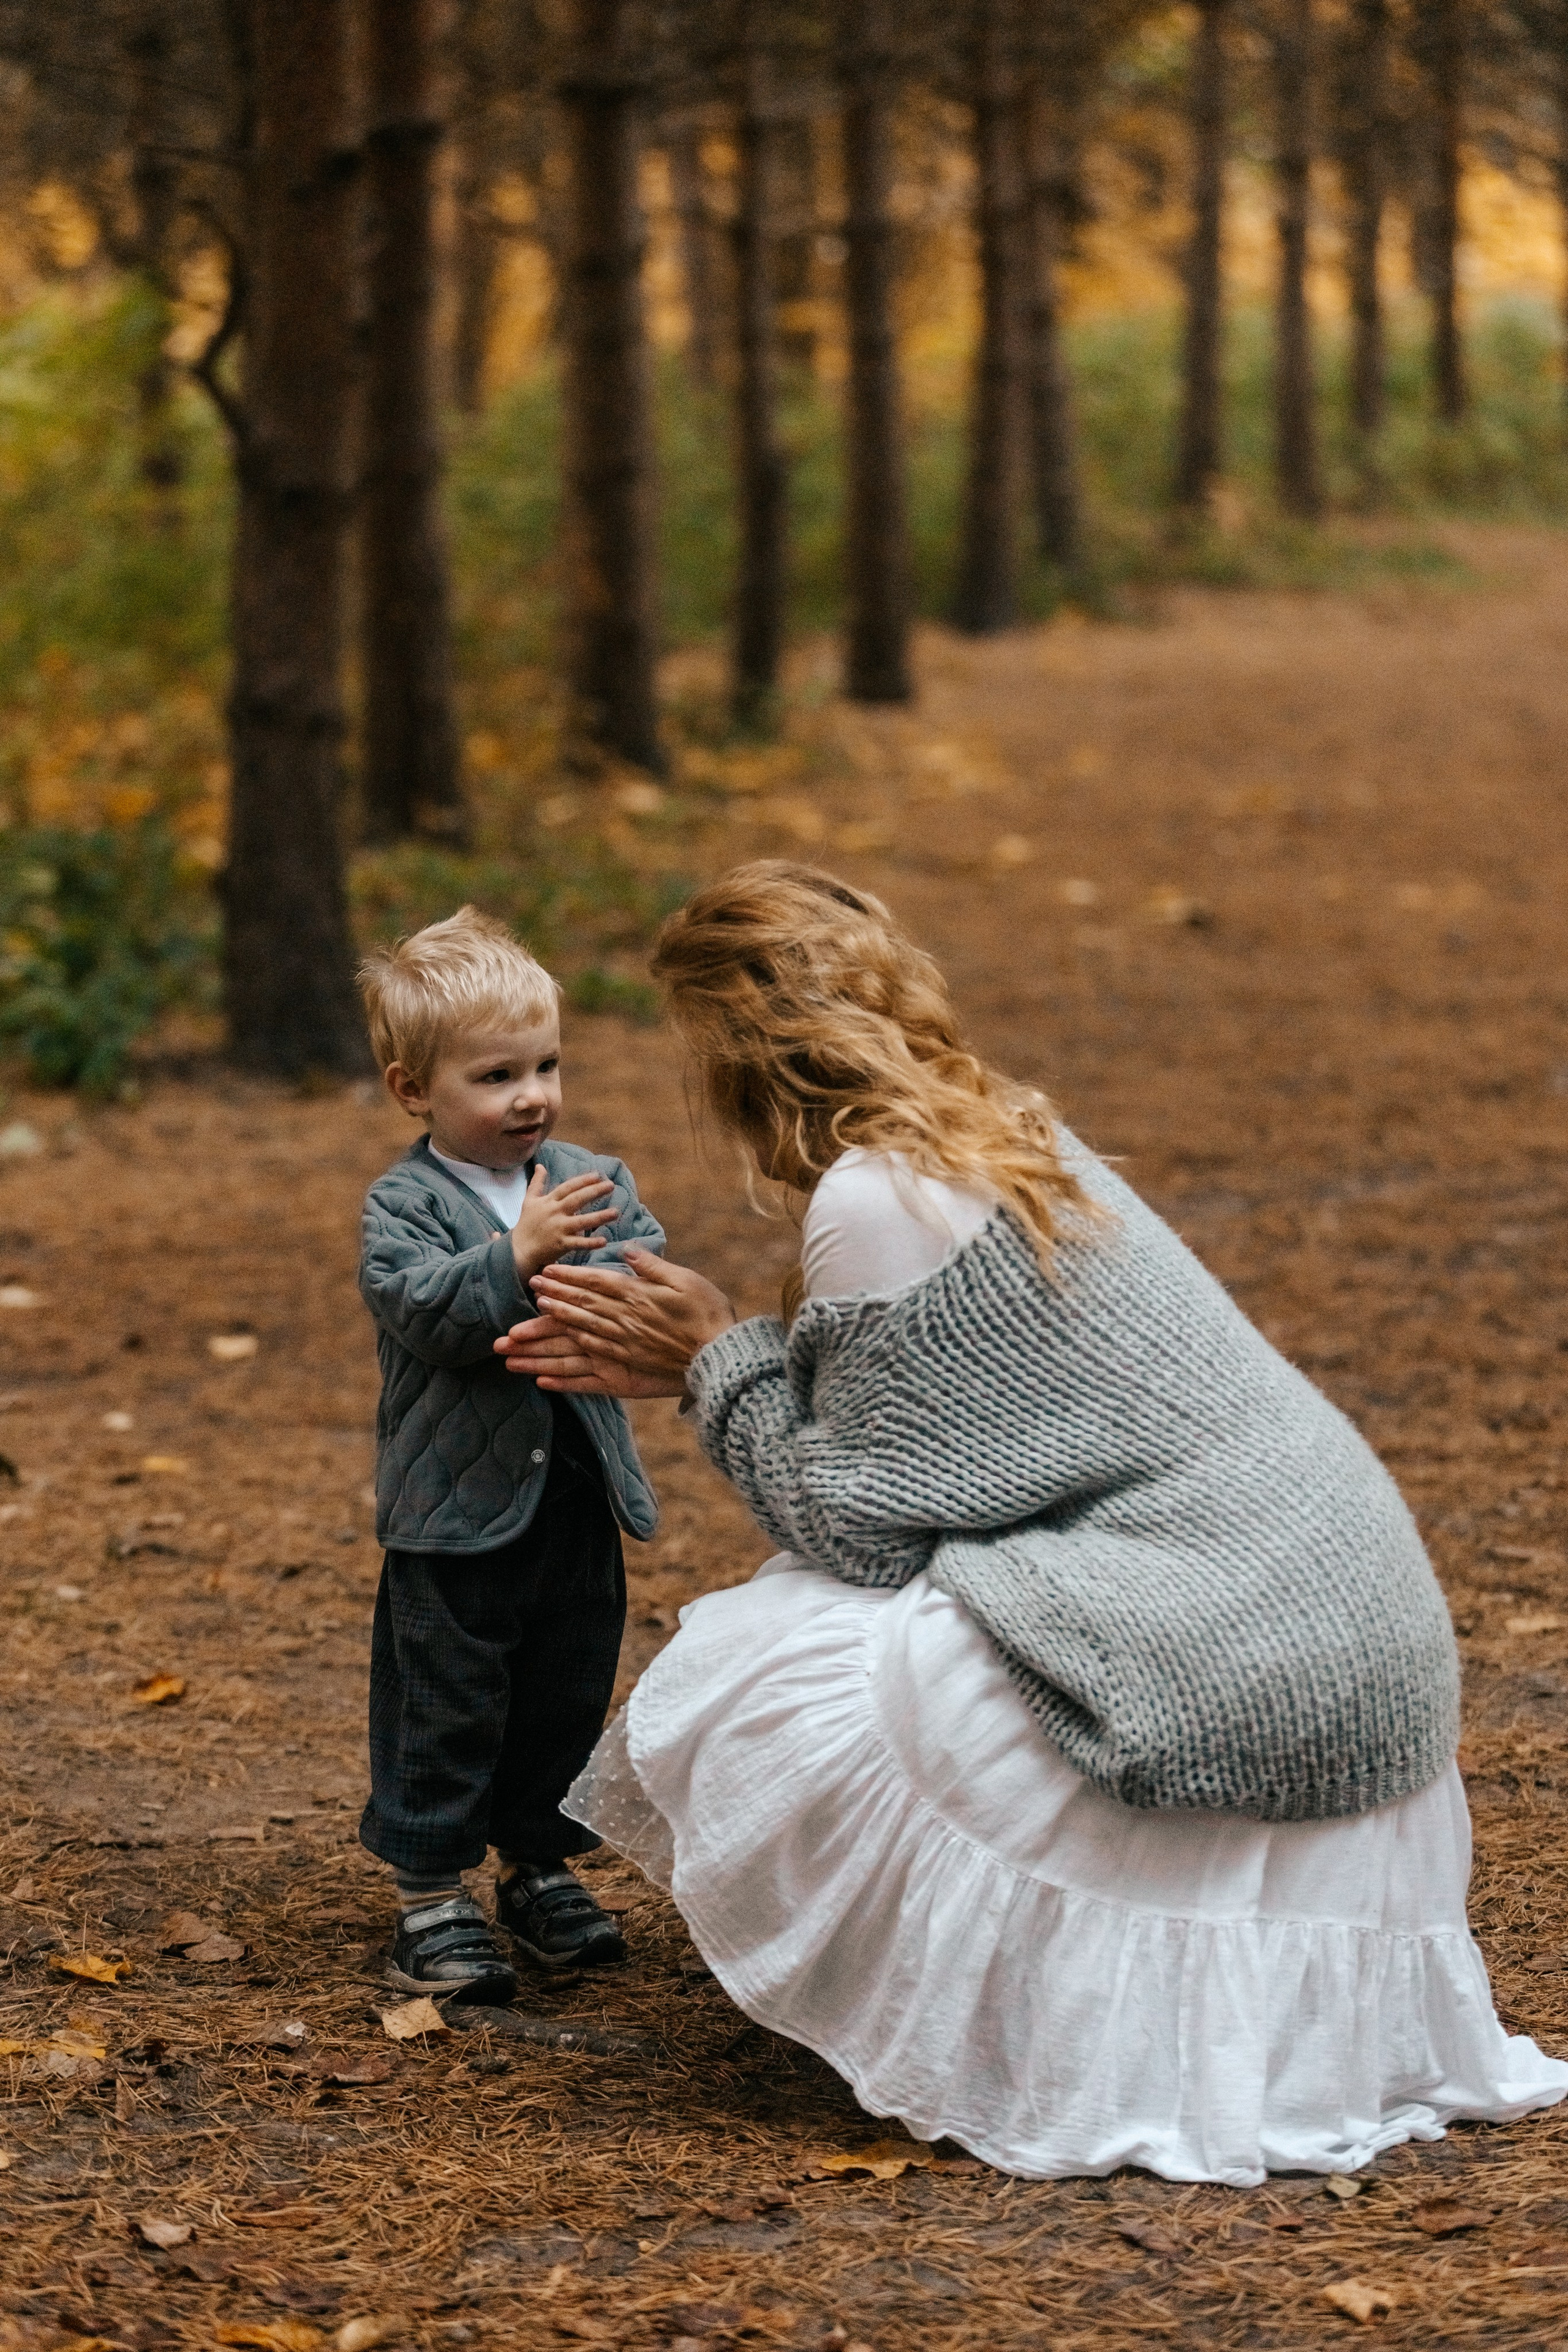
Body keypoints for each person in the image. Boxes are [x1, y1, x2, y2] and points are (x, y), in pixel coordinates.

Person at [496, 861, 1568, 2184]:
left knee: (776, 1655)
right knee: (856, 1614)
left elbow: (859, 1527)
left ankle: (1010, 2033)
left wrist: (716, 1356)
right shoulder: (1004, 1133)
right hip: (1355, 1648)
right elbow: (954, 1460)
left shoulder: (873, 1198)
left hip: (1247, 1655)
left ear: (732, 1057)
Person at [356, 907, 663, 2002]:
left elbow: (638, 1271)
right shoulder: (405, 1204)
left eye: (546, 1066)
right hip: (456, 1508)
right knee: (449, 1696)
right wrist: (513, 1258)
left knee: (564, 1690)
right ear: (414, 1090)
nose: (532, 1095)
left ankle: (538, 1866)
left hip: (575, 1497)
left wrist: (614, 1296)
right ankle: (431, 1892)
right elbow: (424, 1313)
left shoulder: (588, 1177)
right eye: (496, 1076)